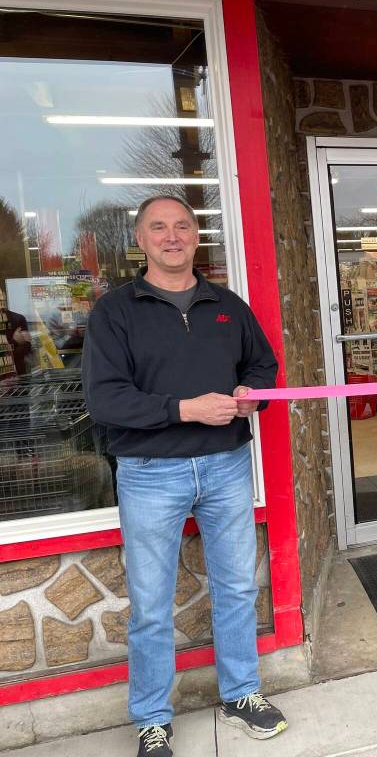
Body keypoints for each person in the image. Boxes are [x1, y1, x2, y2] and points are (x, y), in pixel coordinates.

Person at [82, 196, 287, 757]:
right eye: (159, 228)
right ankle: (152, 718)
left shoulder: (226, 304)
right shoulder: (115, 312)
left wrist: (252, 395)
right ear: (141, 240)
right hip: (150, 474)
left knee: (237, 587)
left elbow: (262, 365)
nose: (172, 236)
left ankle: (242, 692)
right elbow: (105, 399)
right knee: (150, 605)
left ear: (196, 236)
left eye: (182, 226)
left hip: (225, 465)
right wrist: (184, 410)